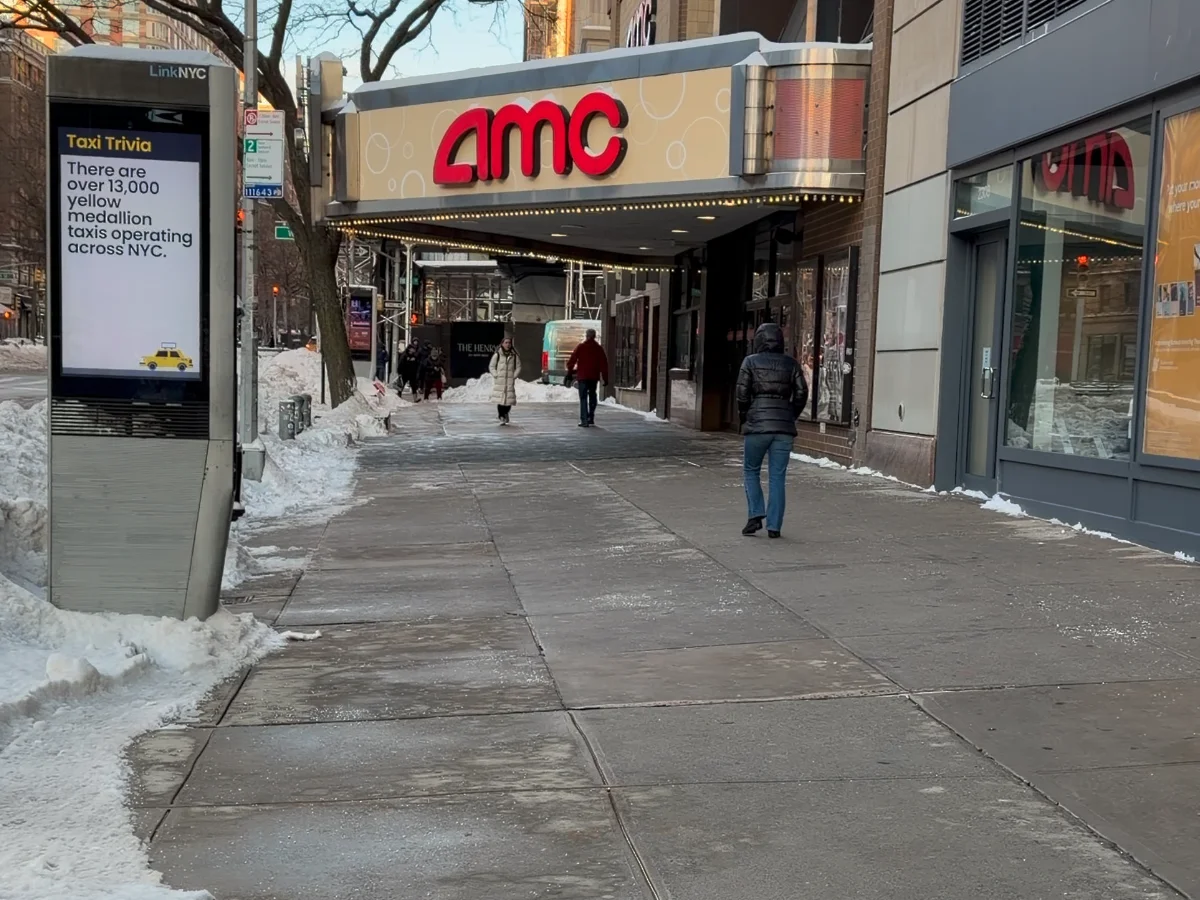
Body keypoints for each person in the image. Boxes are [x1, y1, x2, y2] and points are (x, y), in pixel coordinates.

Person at [736, 322, 808, 539]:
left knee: (751, 470)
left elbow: (742, 394)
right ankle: (774, 526)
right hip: (783, 428)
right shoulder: (791, 364)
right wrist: (789, 415)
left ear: (758, 340)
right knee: (777, 476)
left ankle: (755, 515)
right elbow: (802, 393)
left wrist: (746, 416)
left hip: (757, 425)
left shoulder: (750, 362)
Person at [566, 328, 609, 427]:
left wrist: (569, 372)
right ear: (594, 337)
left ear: (586, 336)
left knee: (583, 397)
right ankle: (591, 417)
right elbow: (604, 365)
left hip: (583, 377)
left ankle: (584, 420)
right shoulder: (598, 349)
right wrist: (605, 378)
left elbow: (572, 360)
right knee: (592, 395)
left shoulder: (581, 347)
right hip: (593, 377)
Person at [489, 336, 521, 425]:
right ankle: (501, 415)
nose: (508, 344)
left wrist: (514, 376)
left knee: (509, 399)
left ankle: (506, 413)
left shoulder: (514, 355)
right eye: (506, 342)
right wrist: (496, 375)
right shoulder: (497, 355)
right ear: (502, 344)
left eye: (509, 343)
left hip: (509, 381)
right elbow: (492, 366)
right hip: (500, 381)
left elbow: (518, 367)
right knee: (501, 399)